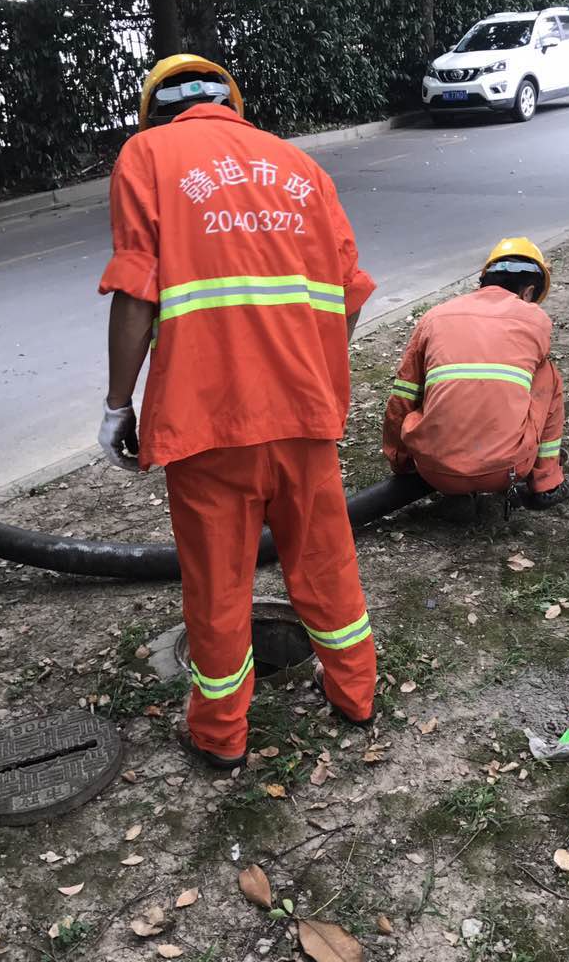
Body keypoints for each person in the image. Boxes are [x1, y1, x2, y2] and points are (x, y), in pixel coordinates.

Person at [96, 54, 377, 768]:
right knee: (326, 565)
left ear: (155, 111)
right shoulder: (299, 167)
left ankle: (221, 740)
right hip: (303, 418)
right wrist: (312, 382)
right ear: (234, 104)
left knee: (219, 588)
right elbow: (347, 293)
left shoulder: (146, 156)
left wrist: (116, 404)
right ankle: (357, 698)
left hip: (207, 424)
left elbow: (137, 291)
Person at [382, 236, 569, 515]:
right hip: (505, 471)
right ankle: (547, 482)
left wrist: (402, 463)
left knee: (427, 379)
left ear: (485, 280)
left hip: (432, 469)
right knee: (546, 375)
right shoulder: (534, 320)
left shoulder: (435, 317)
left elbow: (402, 397)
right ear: (528, 293)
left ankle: (458, 489)